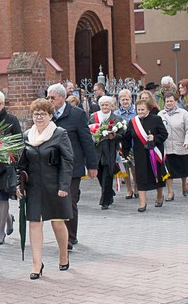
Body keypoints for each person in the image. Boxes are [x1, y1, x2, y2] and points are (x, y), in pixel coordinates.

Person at [16, 98, 74, 279]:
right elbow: (21, 164)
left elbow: (68, 160)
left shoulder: (59, 133)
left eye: (42, 114)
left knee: (57, 223)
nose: (38, 117)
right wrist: (19, 184)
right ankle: (36, 264)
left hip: (55, 186)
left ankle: (63, 255)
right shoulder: (27, 135)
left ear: (50, 115)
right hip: (34, 187)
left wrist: (64, 185)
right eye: (35, 114)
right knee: (35, 223)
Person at [46, 83, 97, 251]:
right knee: (58, 202)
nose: (50, 100)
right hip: (53, 167)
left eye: (52, 98)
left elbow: (87, 141)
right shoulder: (48, 115)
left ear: (62, 97)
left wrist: (92, 165)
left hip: (72, 167)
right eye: (48, 97)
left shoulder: (77, 115)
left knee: (70, 201)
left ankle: (70, 237)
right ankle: (62, 235)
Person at [0, 89, 22, 244]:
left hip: (6, 165)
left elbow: (18, 142)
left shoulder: (11, 120)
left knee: (3, 196)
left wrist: (13, 156)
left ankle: (0, 232)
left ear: (2, 104)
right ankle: (8, 218)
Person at [122, 98, 168, 212]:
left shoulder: (156, 119)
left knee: (157, 176)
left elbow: (164, 134)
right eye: (138, 110)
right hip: (140, 154)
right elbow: (126, 138)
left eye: (143, 109)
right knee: (141, 178)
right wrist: (126, 152)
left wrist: (155, 138)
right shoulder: (133, 122)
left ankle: (159, 196)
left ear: (148, 109)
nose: (141, 112)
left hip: (155, 153)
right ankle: (142, 203)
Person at [90, 95, 123, 209]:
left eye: (107, 104)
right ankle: (109, 192)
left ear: (111, 106)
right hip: (97, 150)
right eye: (102, 105)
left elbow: (123, 134)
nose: (104, 107)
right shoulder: (93, 117)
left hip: (110, 149)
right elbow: (88, 131)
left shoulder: (117, 118)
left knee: (108, 174)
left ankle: (105, 201)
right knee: (99, 174)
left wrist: (115, 135)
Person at [161, 92, 188, 200]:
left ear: (176, 101)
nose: (169, 103)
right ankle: (170, 192)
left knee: (182, 170)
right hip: (167, 147)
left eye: (171, 101)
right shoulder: (161, 114)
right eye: (167, 101)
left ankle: (184, 184)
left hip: (181, 146)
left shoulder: (183, 113)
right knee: (168, 172)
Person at [115, 88, 138, 199]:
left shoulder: (136, 111)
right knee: (124, 168)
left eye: (127, 99)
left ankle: (136, 187)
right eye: (122, 99)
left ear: (131, 99)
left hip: (134, 143)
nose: (125, 102)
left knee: (134, 167)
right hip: (122, 144)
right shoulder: (116, 113)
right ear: (119, 100)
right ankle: (129, 189)